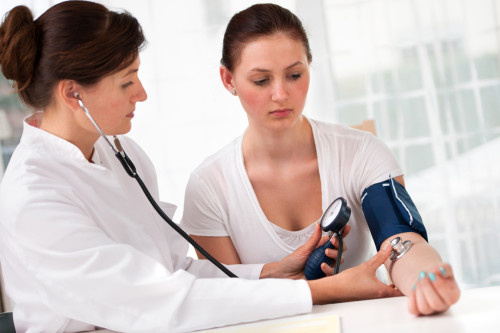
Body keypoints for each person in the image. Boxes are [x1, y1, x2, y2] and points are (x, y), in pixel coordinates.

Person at [0, 2, 403, 332]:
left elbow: (172, 271)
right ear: (73, 94)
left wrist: (270, 272)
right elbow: (162, 301)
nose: (142, 94)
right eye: (127, 82)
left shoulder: (122, 154)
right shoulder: (34, 197)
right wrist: (322, 291)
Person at [181, 3, 460, 316]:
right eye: (261, 80)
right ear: (228, 80)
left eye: (295, 74)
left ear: (310, 65)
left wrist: (425, 280)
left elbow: (400, 241)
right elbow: (227, 298)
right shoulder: (208, 186)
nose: (281, 94)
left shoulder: (361, 151)